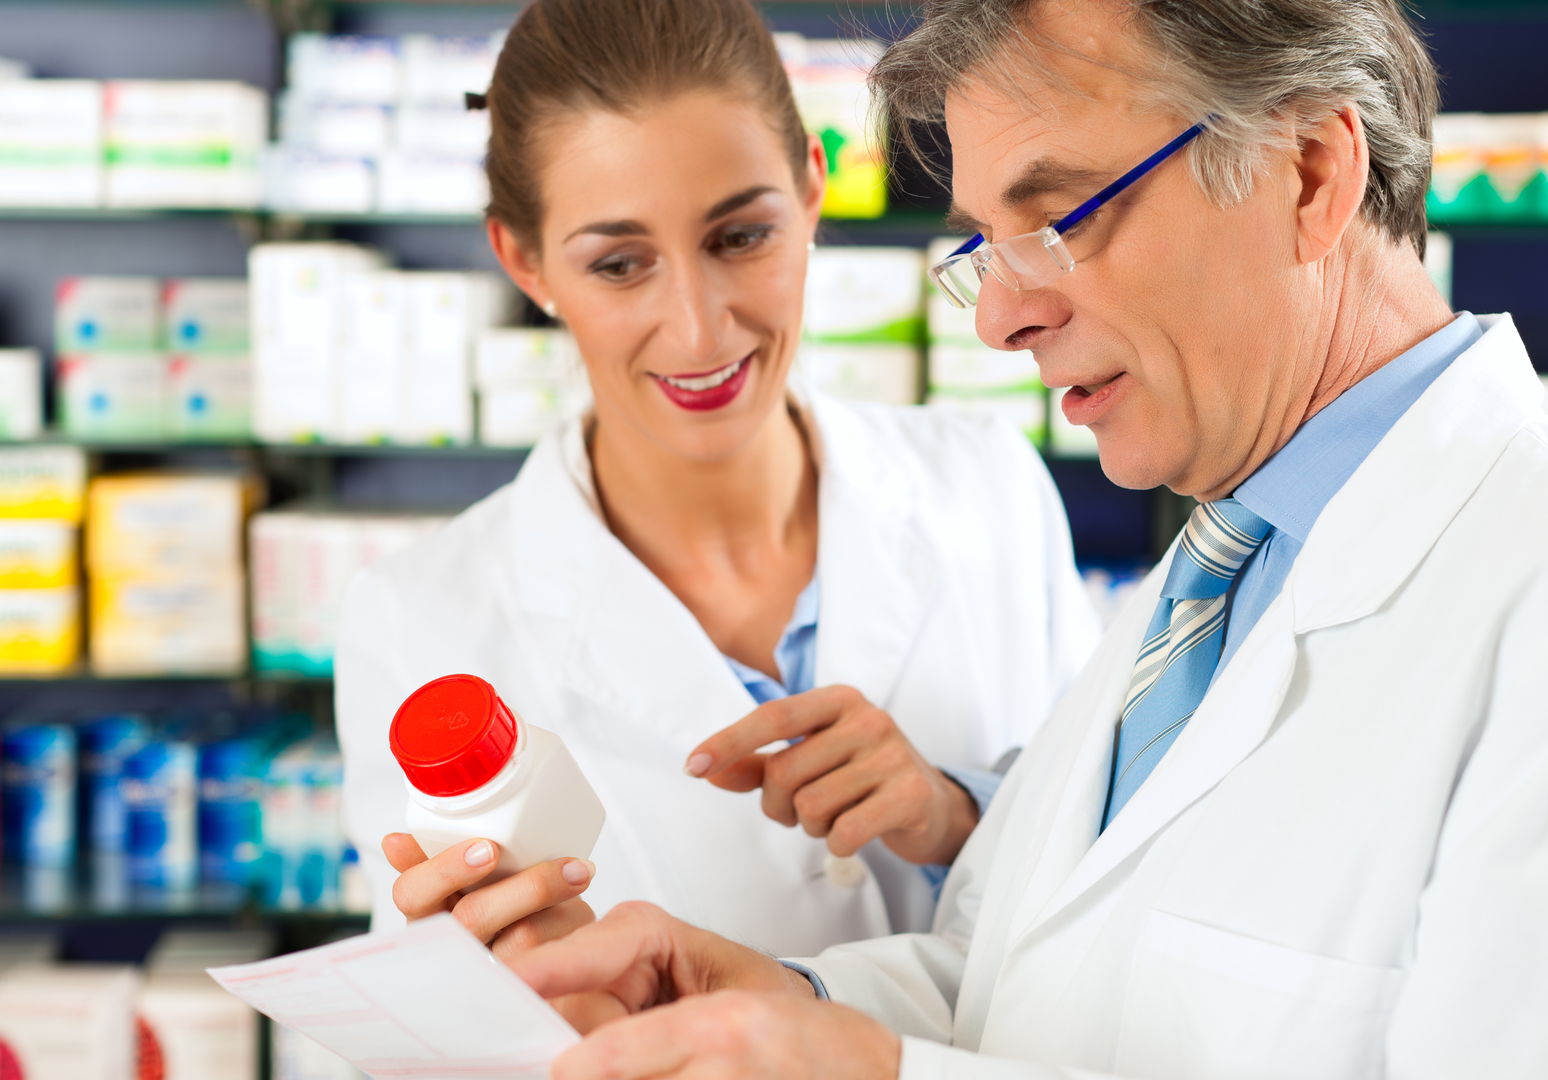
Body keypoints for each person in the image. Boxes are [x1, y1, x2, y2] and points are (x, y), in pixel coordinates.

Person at [487, 0, 1548, 1076]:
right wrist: (779, 1007)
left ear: (1310, 173)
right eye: (983, 244)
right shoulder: (1218, 568)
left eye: (1060, 219)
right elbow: (1027, 985)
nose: (1001, 317)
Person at [333, 0, 1100, 962]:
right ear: (524, 262)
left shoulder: (988, 488)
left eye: (740, 238)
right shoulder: (418, 619)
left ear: (812, 191)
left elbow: (1109, 882)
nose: (698, 331)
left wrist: (956, 818)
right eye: (619, 263)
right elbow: (415, 1029)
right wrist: (485, 1003)